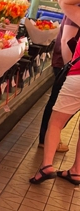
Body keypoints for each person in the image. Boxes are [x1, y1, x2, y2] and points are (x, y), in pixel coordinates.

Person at [30, 0, 80, 185]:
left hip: (77, 76)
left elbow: (63, 1)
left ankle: (46, 167)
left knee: (56, 123)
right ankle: (76, 171)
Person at [37, 14, 80, 152]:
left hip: (70, 67)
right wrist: (70, 68)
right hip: (68, 66)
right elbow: (66, 40)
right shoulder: (76, 10)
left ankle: (50, 138)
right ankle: (47, 139)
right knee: (58, 104)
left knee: (59, 104)